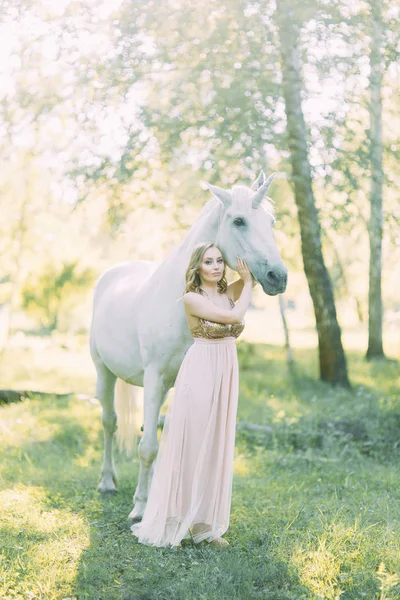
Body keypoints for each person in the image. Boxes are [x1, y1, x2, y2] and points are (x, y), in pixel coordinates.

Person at [130, 241, 254, 548]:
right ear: (196, 267)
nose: (215, 266)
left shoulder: (226, 292)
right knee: (193, 443)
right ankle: (176, 522)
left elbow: (258, 272)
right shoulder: (190, 299)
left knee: (216, 445)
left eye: (219, 261)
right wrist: (249, 282)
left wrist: (249, 274)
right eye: (208, 261)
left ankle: (205, 526)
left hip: (226, 370)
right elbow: (234, 317)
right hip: (200, 370)